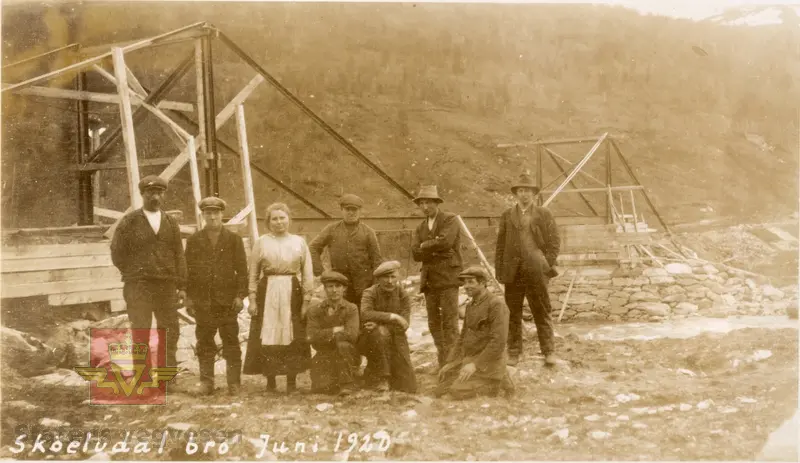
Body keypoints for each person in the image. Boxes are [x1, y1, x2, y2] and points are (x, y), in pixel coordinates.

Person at [110, 175, 186, 373]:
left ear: (164, 195)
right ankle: (142, 377)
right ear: (142, 194)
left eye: (159, 193)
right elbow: (117, 251)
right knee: (141, 331)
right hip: (139, 286)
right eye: (151, 193)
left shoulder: (170, 222)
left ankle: (166, 376)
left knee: (169, 331)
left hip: (166, 285)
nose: (155, 197)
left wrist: (182, 286)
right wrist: (133, 272)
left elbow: (179, 254)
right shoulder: (130, 221)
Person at [243, 203, 313, 393]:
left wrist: (306, 300)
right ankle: (271, 380)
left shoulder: (299, 242)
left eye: (282, 218)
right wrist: (252, 299)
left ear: (289, 219)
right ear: (268, 222)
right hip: (268, 290)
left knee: (292, 334)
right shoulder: (261, 242)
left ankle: (291, 381)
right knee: (268, 334)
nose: (279, 222)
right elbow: (253, 273)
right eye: (274, 219)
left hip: (292, 290)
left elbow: (307, 273)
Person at [495, 174, 561, 367]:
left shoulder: (543, 214)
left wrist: (545, 264)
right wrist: (500, 270)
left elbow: (555, 242)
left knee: (542, 310)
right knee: (512, 313)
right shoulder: (507, 215)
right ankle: (514, 352)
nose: (524, 194)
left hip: (536, 271)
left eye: (528, 191)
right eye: (521, 191)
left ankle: (548, 351)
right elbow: (500, 244)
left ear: (534, 194)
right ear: (516, 193)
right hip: (513, 272)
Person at [184, 197, 248, 396]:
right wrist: (189, 298)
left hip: (227, 301)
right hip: (203, 302)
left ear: (222, 214)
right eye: (208, 213)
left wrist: (240, 296)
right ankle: (207, 383)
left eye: (216, 213)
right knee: (204, 342)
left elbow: (242, 271)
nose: (212, 217)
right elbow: (188, 272)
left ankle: (234, 383)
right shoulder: (194, 240)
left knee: (231, 342)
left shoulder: (234, 240)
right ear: (203, 215)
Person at [436, 266, 515, 400]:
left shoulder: (496, 305)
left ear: (483, 283)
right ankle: (490, 380)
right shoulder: (470, 306)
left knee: (455, 392)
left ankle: (496, 383)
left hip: (488, 362)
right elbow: (462, 337)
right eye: (464, 282)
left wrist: (475, 365)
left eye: (471, 282)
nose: (466, 286)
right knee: (440, 389)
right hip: (470, 359)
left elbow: (498, 342)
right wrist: (450, 362)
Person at [411, 185, 463, 370]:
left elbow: (447, 242)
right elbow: (415, 253)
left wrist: (425, 246)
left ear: (437, 203)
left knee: (450, 323)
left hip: (448, 278)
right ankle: (443, 361)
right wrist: (434, 248)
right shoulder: (420, 227)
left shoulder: (450, 219)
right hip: (429, 281)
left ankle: (454, 364)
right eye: (422, 203)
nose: (425, 207)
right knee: (434, 323)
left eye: (429, 203)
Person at [308, 194, 383, 308]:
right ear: (341, 210)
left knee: (363, 314)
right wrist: (322, 272)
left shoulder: (368, 232)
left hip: (364, 285)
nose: (351, 213)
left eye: (354, 210)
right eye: (348, 209)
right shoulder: (331, 229)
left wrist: (374, 285)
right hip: (339, 285)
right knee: (340, 313)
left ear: (360, 211)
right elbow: (313, 247)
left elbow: (377, 260)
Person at [358, 260, 417, 393]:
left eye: (393, 277)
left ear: (398, 277)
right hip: (370, 338)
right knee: (380, 334)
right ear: (378, 279)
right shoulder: (370, 292)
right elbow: (365, 314)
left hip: (396, 337)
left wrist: (380, 323)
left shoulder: (402, 294)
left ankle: (374, 373)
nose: (390, 281)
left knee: (409, 385)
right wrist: (393, 317)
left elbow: (404, 324)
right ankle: (382, 378)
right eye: (386, 277)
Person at [306, 271, 360, 395]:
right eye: (330, 286)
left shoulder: (351, 308)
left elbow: (352, 335)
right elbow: (311, 336)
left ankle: (347, 384)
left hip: (347, 353)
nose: (334, 290)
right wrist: (335, 330)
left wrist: (323, 335)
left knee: (343, 345)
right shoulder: (315, 310)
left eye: (338, 286)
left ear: (344, 288)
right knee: (322, 389)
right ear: (325, 289)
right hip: (324, 354)